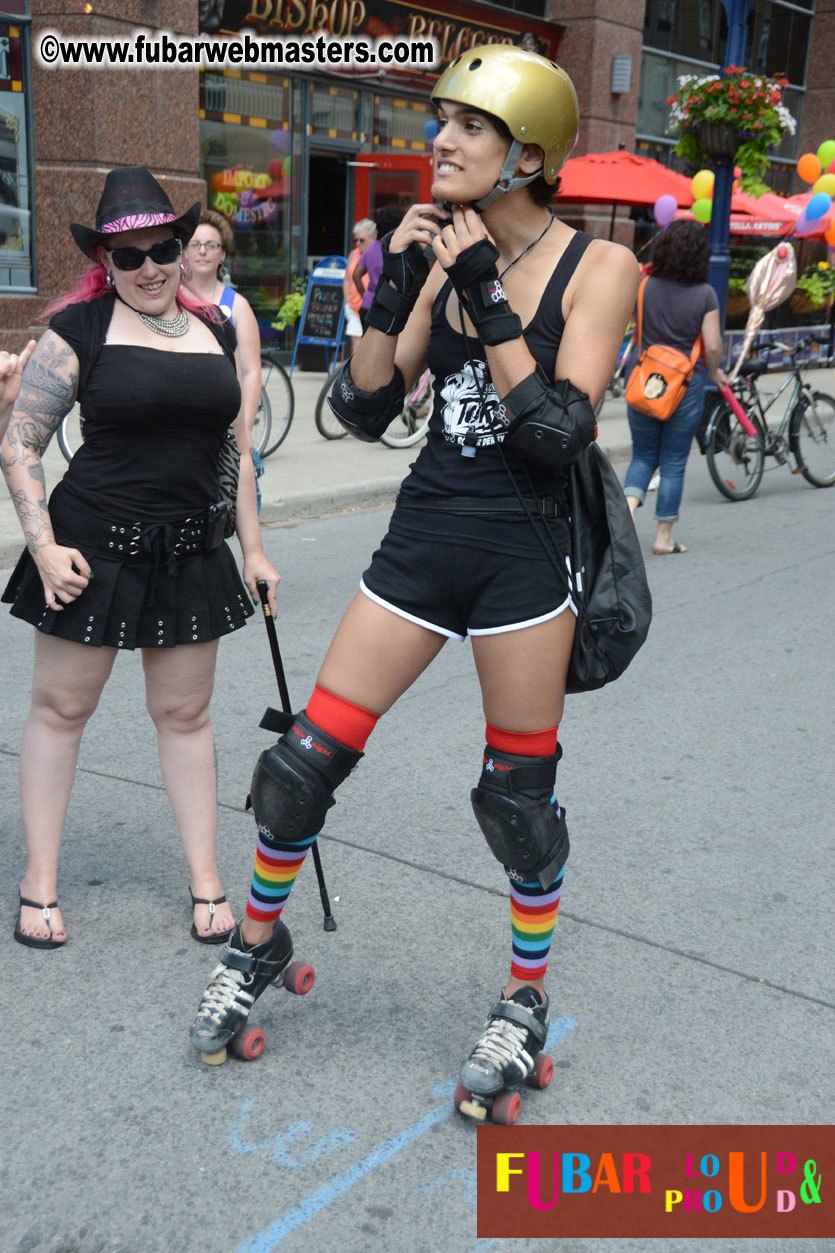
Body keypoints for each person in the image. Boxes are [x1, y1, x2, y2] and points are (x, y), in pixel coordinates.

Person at [190, 46, 638, 1113]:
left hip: (527, 556)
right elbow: (362, 407)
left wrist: (479, 283)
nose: (440, 139)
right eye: (441, 120)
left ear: (526, 152)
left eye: (468, 126)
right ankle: (258, 943)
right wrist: (404, 278)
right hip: (424, 538)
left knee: (516, 802)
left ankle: (522, 1004)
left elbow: (555, 433)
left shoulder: (598, 268)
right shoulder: (435, 251)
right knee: (299, 766)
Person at [1, 166, 279, 949]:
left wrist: (252, 548)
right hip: (90, 550)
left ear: (186, 249)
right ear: (105, 262)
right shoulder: (80, 332)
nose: (151, 266)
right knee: (61, 710)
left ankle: (205, 879)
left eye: (164, 248)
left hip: (191, 550)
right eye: (130, 256)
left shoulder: (216, 331)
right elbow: (20, 440)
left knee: (185, 715)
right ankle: (40, 882)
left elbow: (234, 453)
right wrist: (44, 547)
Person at [622, 220, 725, 554]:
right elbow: (711, 346)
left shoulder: (644, 285)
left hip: (643, 378)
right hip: (685, 385)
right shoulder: (705, 294)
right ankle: (664, 537)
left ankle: (624, 516)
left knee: (643, 455)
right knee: (673, 461)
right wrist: (716, 371)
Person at [184, 208, 265, 502]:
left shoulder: (237, 305)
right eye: (195, 244)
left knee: (233, 506)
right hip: (185, 423)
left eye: (212, 245)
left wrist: (245, 427)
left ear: (223, 255)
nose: (203, 251)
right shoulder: (170, 299)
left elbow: (251, 371)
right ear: (184, 252)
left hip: (226, 425)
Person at [354, 205, 405, 332]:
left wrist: (365, 295)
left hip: (367, 306)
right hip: (388, 308)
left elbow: (356, 275)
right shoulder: (398, 250)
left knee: (365, 348)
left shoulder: (371, 248)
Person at [342, 219, 376, 354]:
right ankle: (356, 374)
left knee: (370, 346)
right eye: (356, 240)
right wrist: (346, 302)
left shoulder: (378, 253)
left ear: (373, 237)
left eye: (362, 240)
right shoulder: (353, 254)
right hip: (354, 306)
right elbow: (347, 279)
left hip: (371, 306)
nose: (358, 243)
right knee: (357, 346)